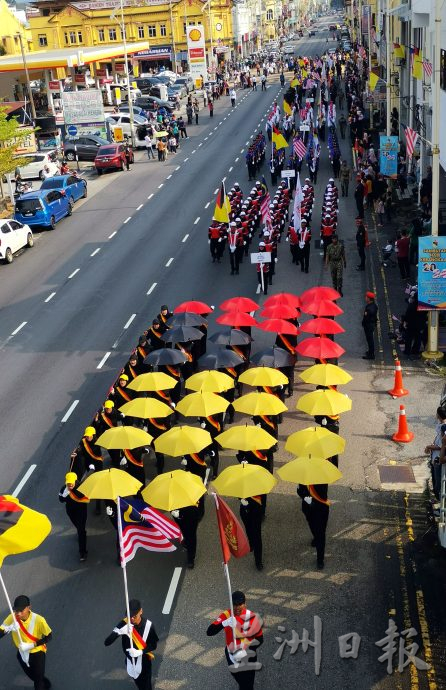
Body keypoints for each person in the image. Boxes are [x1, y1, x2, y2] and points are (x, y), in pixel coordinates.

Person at [206, 591, 263, 690]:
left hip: (249, 656)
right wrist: (225, 623)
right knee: (242, 682)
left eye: (240, 604)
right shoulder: (226, 615)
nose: (237, 607)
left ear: (245, 603)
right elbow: (209, 632)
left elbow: (260, 639)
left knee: (248, 684)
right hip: (232, 657)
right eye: (234, 604)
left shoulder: (252, 617)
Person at [0, 594, 52, 690]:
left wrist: (31, 645)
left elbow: (49, 637)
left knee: (38, 682)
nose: (18, 613)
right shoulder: (13, 617)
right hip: (22, 654)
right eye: (16, 610)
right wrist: (9, 628)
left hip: (37, 653)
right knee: (33, 676)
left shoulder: (39, 620)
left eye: (21, 610)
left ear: (29, 608)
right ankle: (43, 681)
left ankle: (41, 682)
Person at [104, 599, 158, 690]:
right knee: (139, 684)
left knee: (146, 686)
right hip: (130, 661)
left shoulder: (149, 626)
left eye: (134, 616)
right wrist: (119, 632)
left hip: (144, 661)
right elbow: (107, 642)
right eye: (129, 616)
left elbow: (154, 645)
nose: (132, 619)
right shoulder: (125, 623)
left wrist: (140, 652)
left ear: (141, 611)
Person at [297, 484, 329, 569]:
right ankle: (316, 537)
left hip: (321, 507)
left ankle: (320, 559)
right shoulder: (304, 475)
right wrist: (307, 499)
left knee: (321, 533)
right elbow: (300, 491)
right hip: (308, 508)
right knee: (313, 527)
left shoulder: (323, 473)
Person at [59, 471, 89, 561]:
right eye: (68, 483)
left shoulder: (81, 487)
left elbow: (87, 498)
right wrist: (64, 495)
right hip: (71, 512)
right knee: (78, 527)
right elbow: (60, 500)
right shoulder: (64, 489)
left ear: (75, 481)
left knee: (80, 530)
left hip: (81, 512)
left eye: (71, 483)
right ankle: (82, 533)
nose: (69, 485)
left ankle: (82, 553)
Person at [240, 495, 264, 570]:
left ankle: (258, 561)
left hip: (256, 509)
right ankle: (251, 544)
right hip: (244, 510)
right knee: (248, 529)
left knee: (257, 537)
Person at [362, 291, 378, 360]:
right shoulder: (372, 305)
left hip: (369, 326)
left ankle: (371, 355)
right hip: (370, 325)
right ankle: (370, 351)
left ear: (369, 299)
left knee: (370, 340)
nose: (365, 298)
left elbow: (368, 317)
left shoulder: (370, 308)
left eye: (366, 297)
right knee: (369, 339)